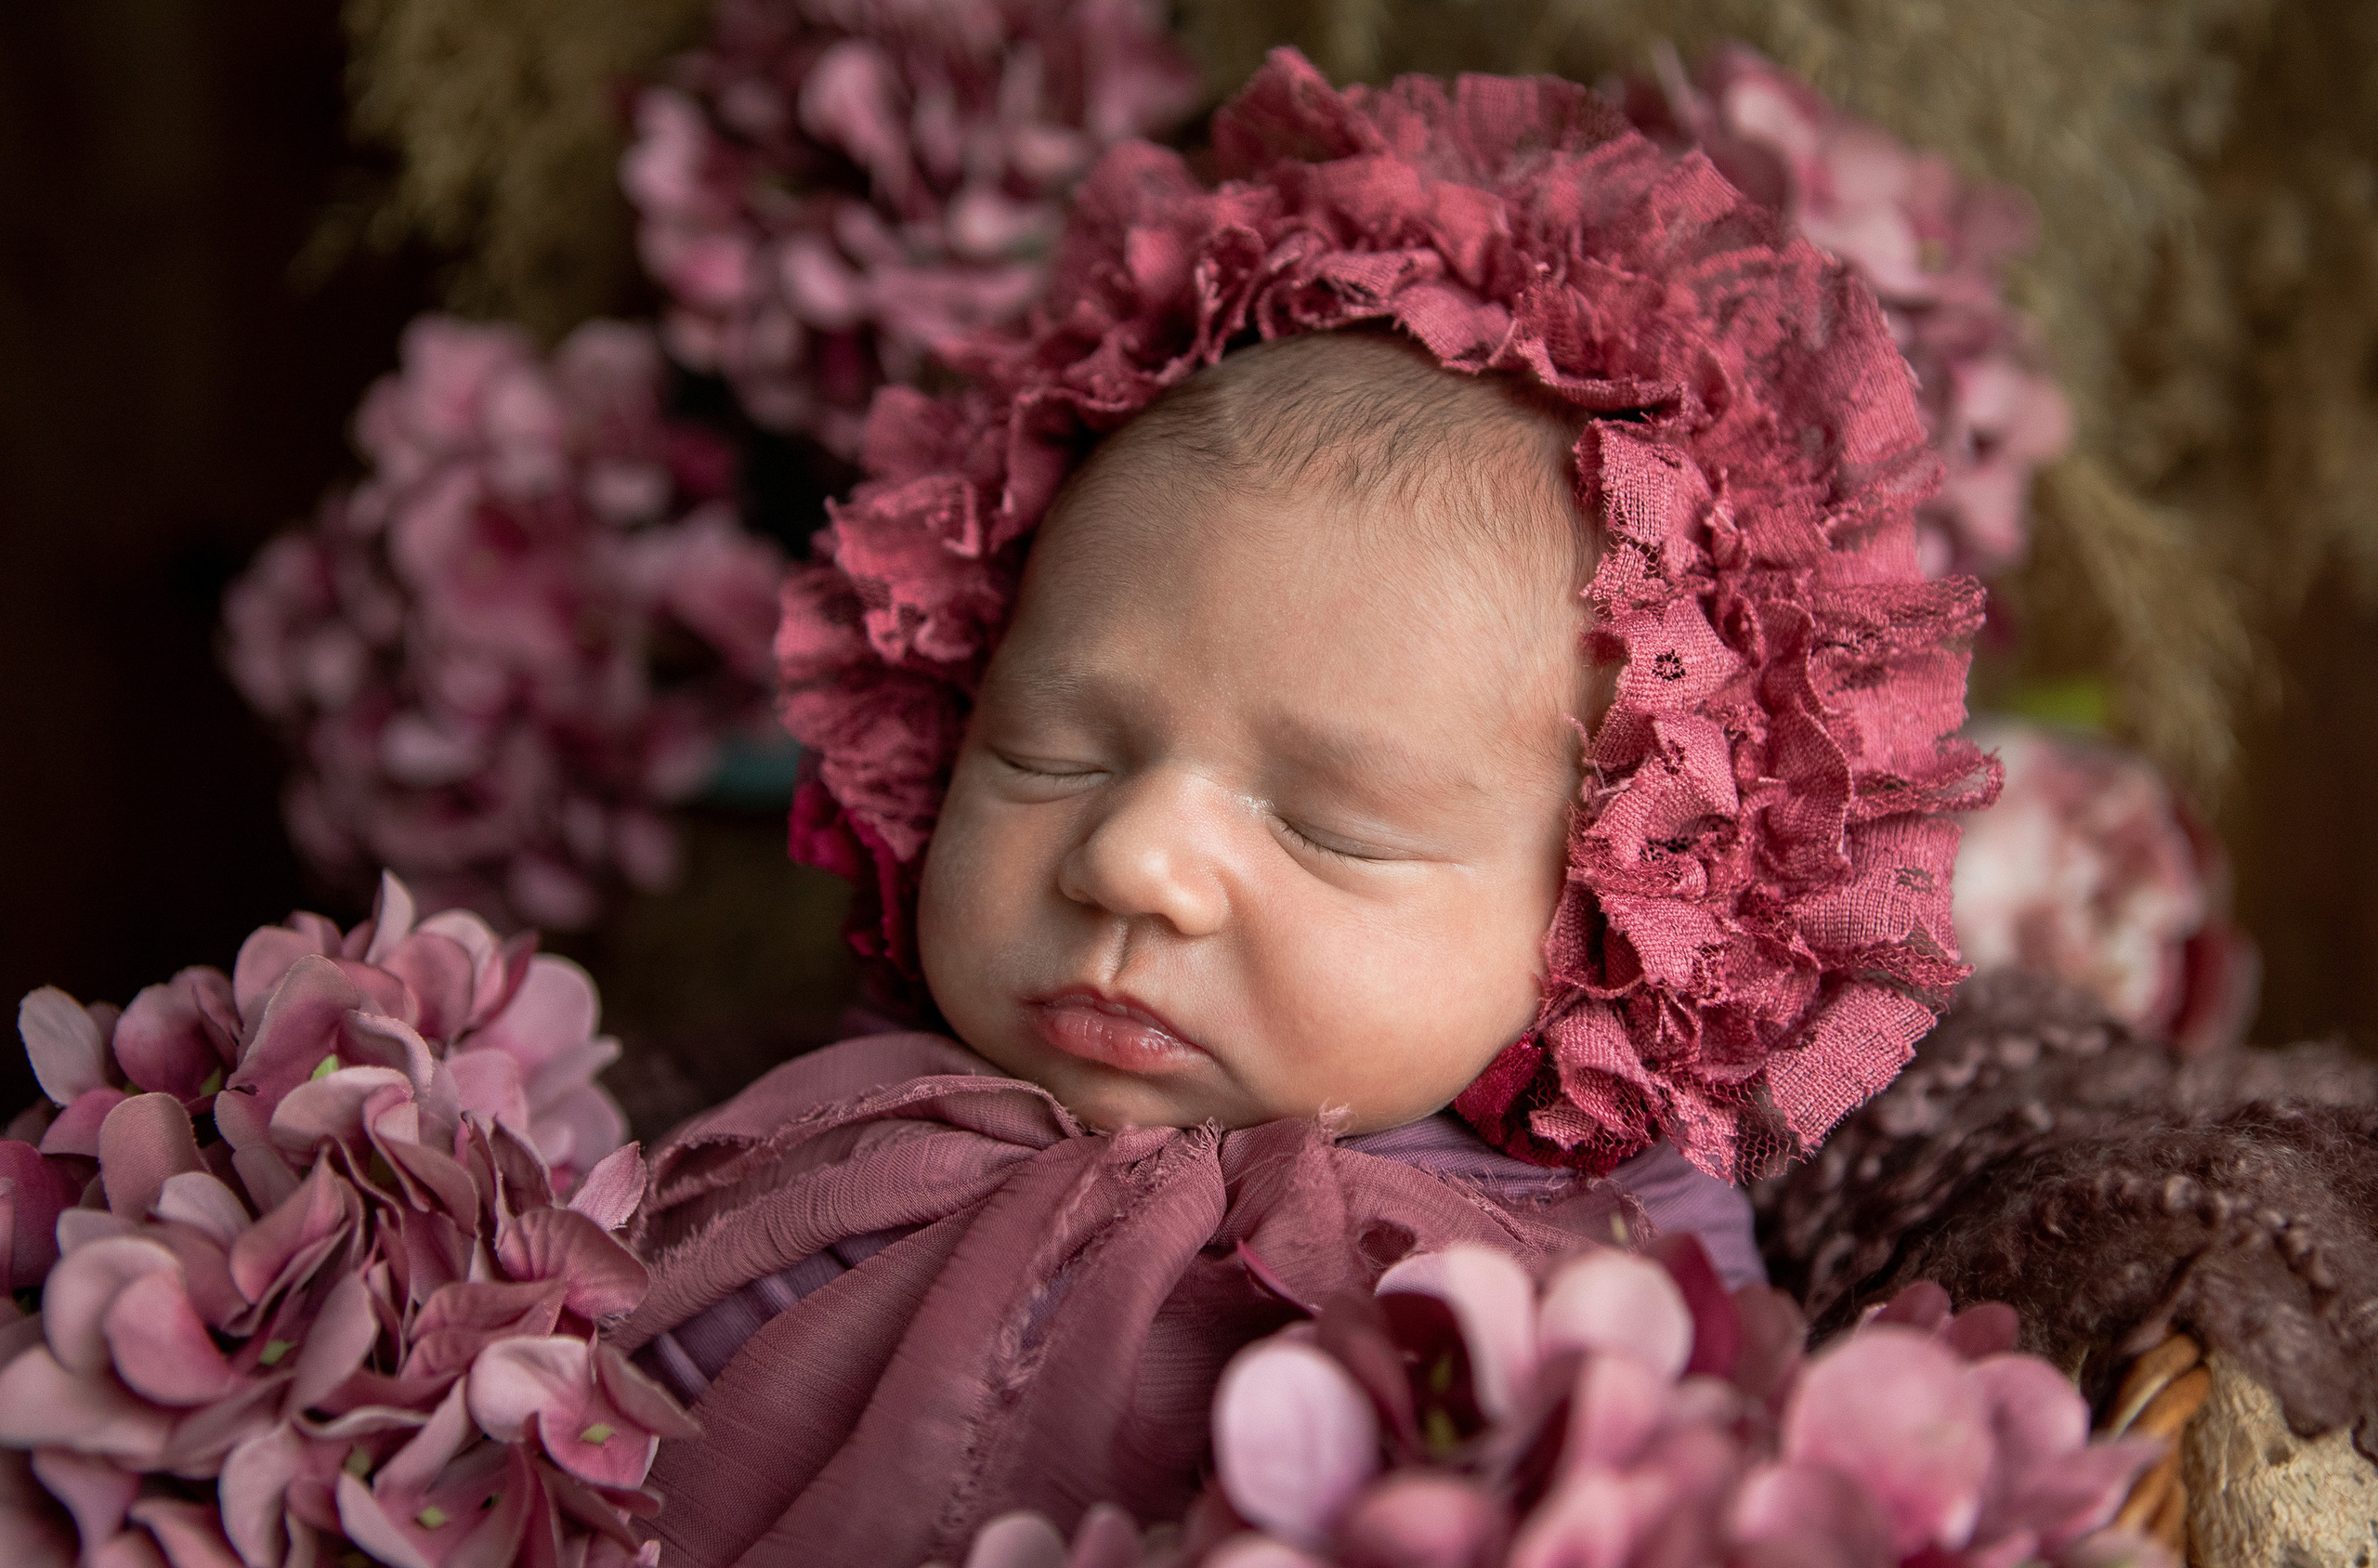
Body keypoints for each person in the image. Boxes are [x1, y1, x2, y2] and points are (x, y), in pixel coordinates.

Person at [617, 48, 1991, 1568]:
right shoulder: (830, 1156)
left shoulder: (1583, 1283)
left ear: (1610, 923)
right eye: (1052, 755)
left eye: (1327, 827)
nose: (1134, 863)